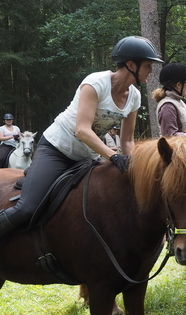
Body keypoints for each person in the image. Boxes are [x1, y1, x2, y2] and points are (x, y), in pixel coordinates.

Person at [0, 35, 163, 241]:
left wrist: (132, 165)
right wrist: (114, 158)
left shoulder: (135, 97)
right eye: (148, 65)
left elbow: (127, 141)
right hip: (57, 150)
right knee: (27, 208)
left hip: (87, 157)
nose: (151, 70)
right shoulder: (95, 83)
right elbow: (82, 130)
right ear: (131, 65)